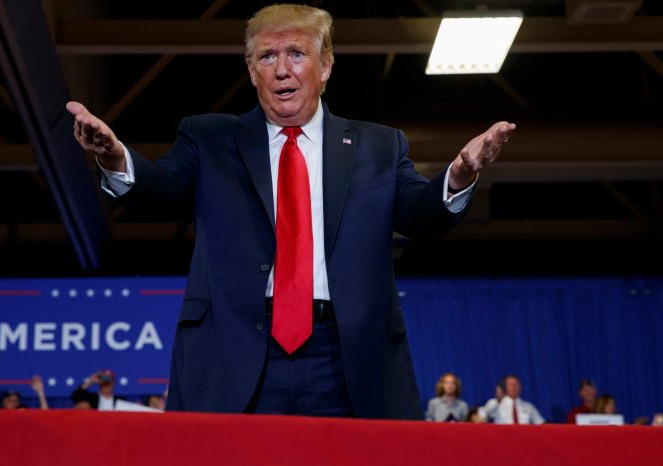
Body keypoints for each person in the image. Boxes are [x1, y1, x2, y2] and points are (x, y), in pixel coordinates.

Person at [67, 4, 515, 419]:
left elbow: (420, 214)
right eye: (266, 56)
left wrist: (457, 176)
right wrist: (113, 156)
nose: (281, 69)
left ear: (325, 67)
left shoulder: (379, 145)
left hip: (346, 355)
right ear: (250, 70)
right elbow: (159, 191)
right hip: (236, 348)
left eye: (297, 53)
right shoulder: (209, 138)